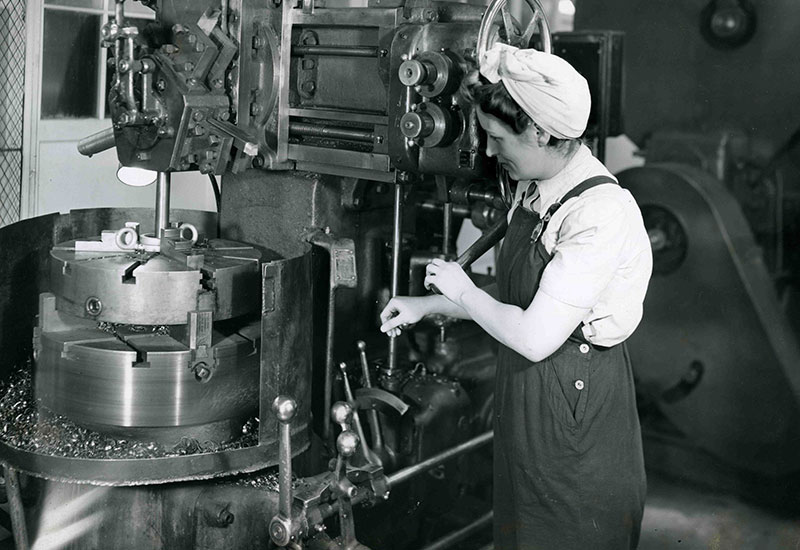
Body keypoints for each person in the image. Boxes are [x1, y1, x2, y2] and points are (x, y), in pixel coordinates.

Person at [380, 43, 652, 550]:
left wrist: (459, 288)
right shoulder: (535, 186)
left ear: (543, 132)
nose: (486, 151)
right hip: (527, 395)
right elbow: (516, 298)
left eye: (498, 137)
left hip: (575, 403)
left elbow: (531, 335)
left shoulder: (597, 214)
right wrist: (427, 306)